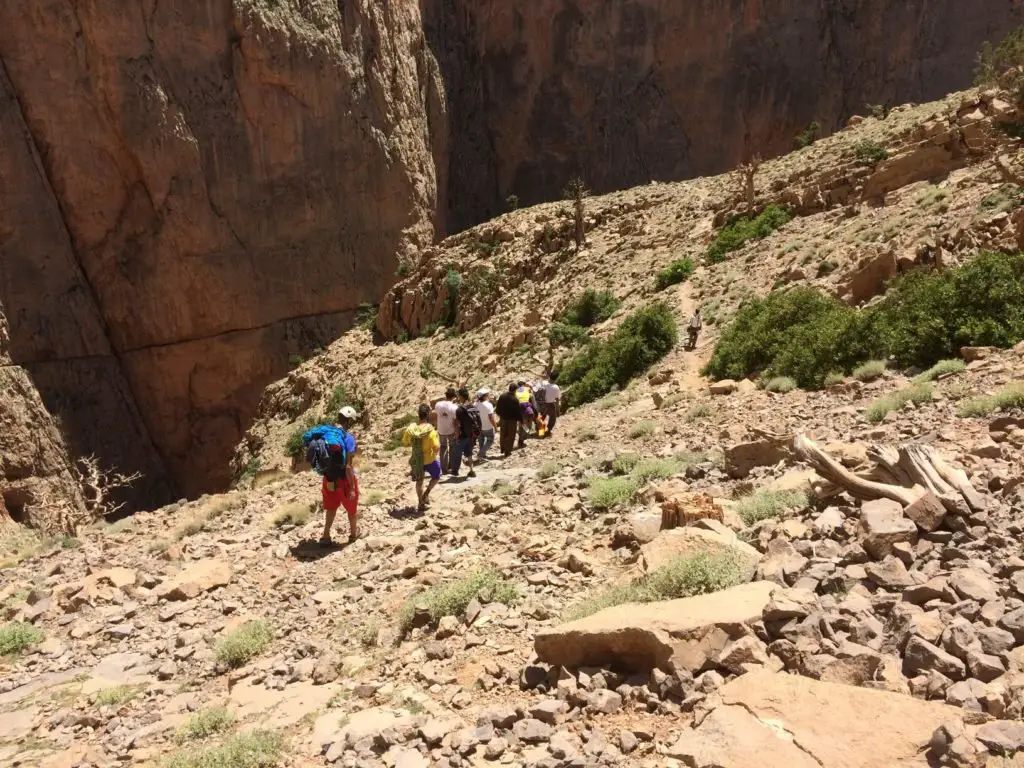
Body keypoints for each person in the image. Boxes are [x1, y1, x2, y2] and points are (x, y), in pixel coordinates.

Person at [302, 406, 360, 545]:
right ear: (349, 421)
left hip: (329, 478)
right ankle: (353, 535)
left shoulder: (326, 433)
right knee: (352, 510)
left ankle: (326, 536)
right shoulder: (348, 438)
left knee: (331, 508)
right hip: (345, 480)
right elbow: (348, 466)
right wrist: (351, 487)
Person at [402, 404, 441, 511]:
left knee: (419, 482)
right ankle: (426, 494)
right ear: (428, 414)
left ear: (418, 415)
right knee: (436, 476)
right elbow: (436, 447)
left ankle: (420, 502)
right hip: (430, 459)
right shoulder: (431, 431)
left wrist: (416, 447)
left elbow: (405, 443)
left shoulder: (411, 430)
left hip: (417, 460)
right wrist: (434, 453)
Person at [453, 387, 479, 478]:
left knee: (457, 452)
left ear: (461, 397)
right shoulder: (474, 407)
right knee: (469, 452)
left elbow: (457, 424)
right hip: (472, 434)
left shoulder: (459, 409)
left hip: (463, 434)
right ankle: (472, 470)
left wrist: (456, 434)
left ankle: (455, 471)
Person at [435, 387, 458, 474]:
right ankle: (451, 466)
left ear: (446, 395)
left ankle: (443, 469)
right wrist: (457, 431)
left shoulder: (438, 404)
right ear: (453, 397)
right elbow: (455, 421)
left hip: (441, 430)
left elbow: (436, 413)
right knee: (452, 447)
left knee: (443, 448)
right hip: (451, 430)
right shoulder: (454, 407)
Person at [496, 383, 522, 457]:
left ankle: (502, 448)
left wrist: (500, 415)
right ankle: (508, 451)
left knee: (503, 434)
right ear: (515, 390)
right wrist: (520, 420)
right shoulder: (515, 399)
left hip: (503, 419)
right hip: (512, 421)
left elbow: (498, 408)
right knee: (511, 435)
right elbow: (518, 411)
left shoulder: (502, 396)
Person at [476, 388, 497, 460]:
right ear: (484, 396)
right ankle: (480, 454)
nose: (488, 396)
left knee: (481, 441)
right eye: (487, 395)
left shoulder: (476, 404)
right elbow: (491, 417)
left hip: (479, 427)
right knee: (490, 440)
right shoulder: (488, 405)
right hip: (488, 426)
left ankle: (482, 455)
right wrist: (495, 426)